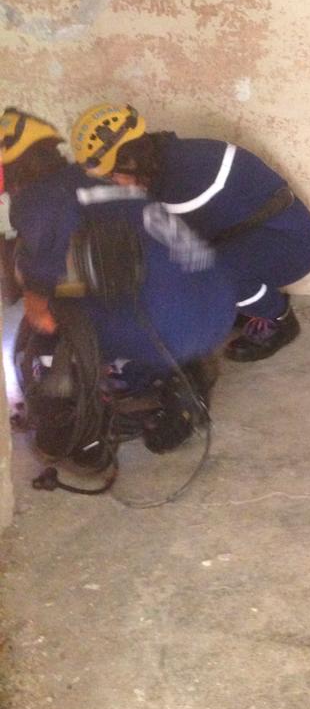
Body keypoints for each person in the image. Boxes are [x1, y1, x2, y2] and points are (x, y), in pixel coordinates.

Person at [0, 107, 239, 460]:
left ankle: (75, 428)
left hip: (173, 328)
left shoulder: (36, 200)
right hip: (218, 307)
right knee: (104, 290)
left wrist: (35, 296)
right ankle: (174, 374)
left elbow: (44, 295)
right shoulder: (95, 177)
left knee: (54, 325)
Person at [69, 104, 310, 363]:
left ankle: (278, 319)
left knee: (211, 277)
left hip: (294, 244)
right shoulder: (168, 157)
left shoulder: (184, 190)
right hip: (261, 231)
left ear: (130, 161)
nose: (112, 181)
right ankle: (243, 299)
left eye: (112, 175)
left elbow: (181, 259)